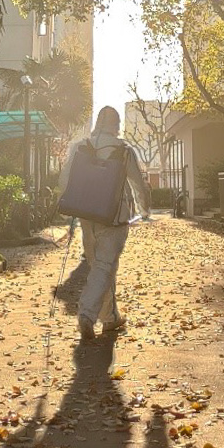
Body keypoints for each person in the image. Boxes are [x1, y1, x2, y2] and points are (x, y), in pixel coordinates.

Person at [63, 106, 149, 343]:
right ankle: (87, 315)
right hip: (114, 216)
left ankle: (110, 317)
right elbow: (138, 184)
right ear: (116, 125)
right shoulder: (123, 150)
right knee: (105, 266)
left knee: (99, 267)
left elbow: (65, 180)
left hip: (86, 216)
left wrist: (67, 210)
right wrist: (144, 209)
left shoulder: (80, 147)